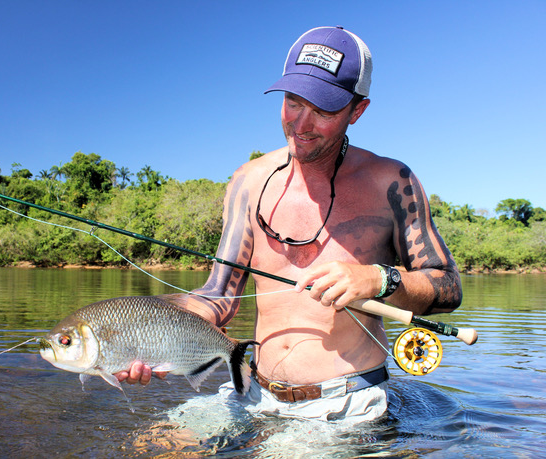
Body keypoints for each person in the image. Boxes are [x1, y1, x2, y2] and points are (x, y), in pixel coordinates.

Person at [115, 26, 462, 423]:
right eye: (293, 102)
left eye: (324, 109)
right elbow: (219, 294)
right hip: (251, 392)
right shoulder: (248, 180)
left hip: (344, 404)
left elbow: (448, 286)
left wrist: (378, 279)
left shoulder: (392, 182)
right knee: (155, 446)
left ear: (357, 110)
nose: (302, 123)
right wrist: (149, 340)